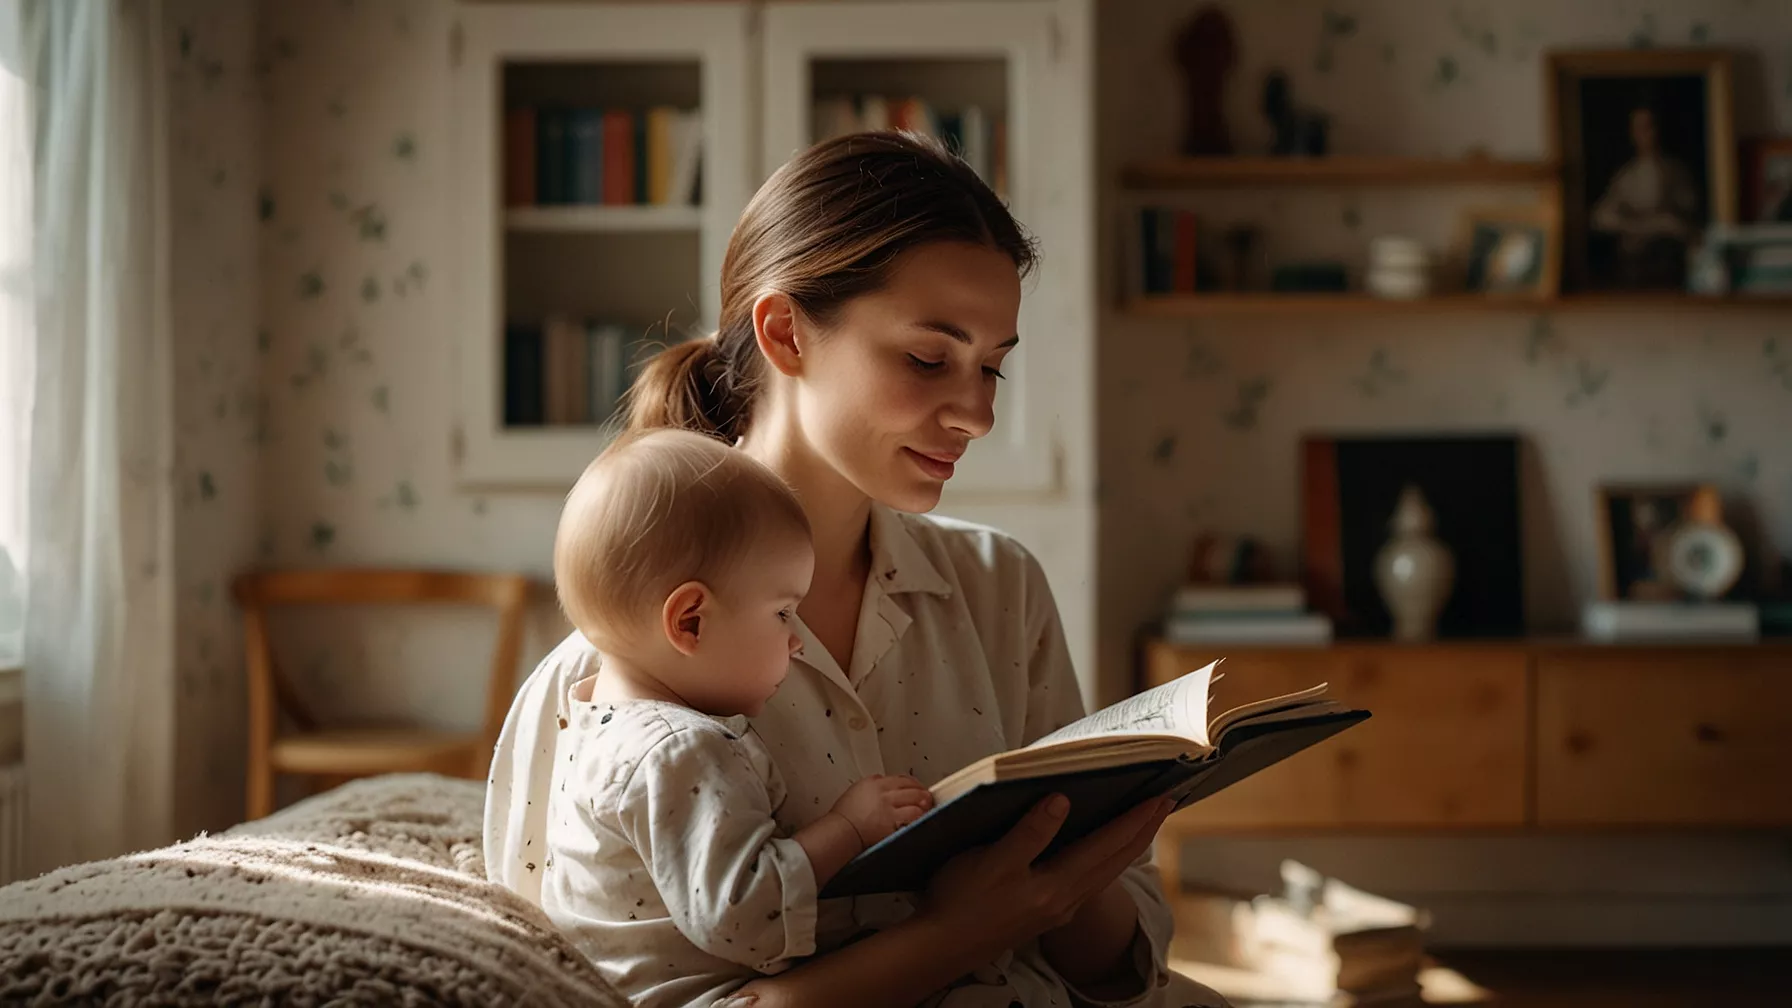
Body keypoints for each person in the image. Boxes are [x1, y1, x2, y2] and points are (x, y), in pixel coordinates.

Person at [485, 131, 1228, 1008]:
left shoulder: (1000, 586)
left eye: (992, 366)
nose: (980, 414)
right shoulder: (614, 685)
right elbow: (564, 985)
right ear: (785, 332)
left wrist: (1072, 868)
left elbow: (1123, 966)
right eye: (928, 358)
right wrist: (957, 933)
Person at [543, 427, 936, 1004]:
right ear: (691, 622)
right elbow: (742, 916)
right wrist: (849, 828)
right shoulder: (678, 751)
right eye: (783, 614)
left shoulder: (595, 721)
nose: (798, 641)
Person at [1589, 104, 1702, 288]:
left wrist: (1668, 221)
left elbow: (1686, 213)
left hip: (1669, 244)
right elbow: (1600, 217)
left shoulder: (1676, 171)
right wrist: (1641, 225)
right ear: (1632, 133)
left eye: (1649, 127)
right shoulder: (1626, 175)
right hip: (1635, 244)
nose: (1646, 134)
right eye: (1639, 129)